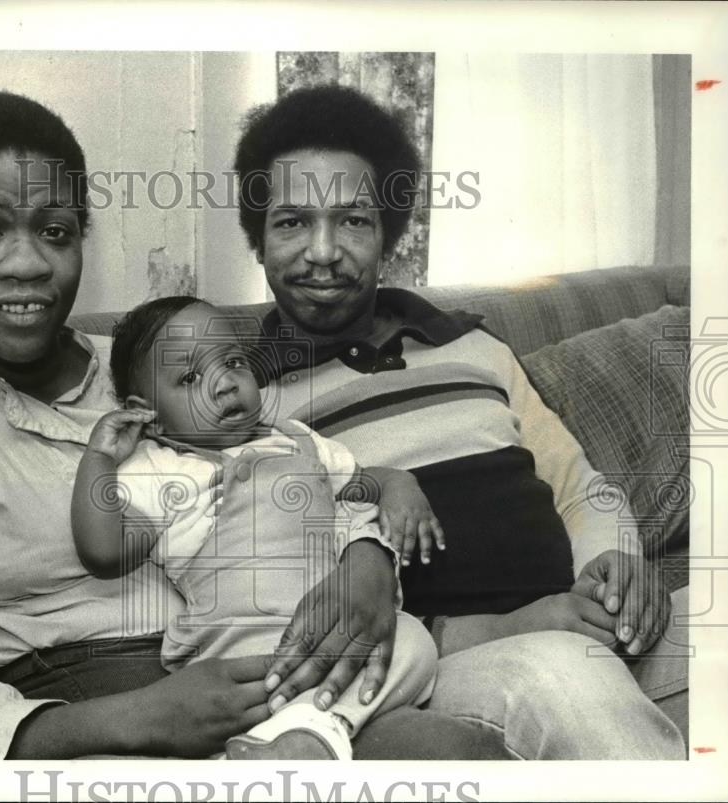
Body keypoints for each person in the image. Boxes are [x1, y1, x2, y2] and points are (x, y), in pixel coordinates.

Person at [0, 89, 503, 760]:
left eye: (55, 231)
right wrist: (136, 718)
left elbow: (290, 471)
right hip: (98, 723)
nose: (27, 262)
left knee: (461, 753)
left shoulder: (165, 362)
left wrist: (367, 561)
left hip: (273, 669)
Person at [232, 83, 689, 759]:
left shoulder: (473, 347)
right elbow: (291, 604)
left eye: (353, 220)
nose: (323, 251)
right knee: (569, 678)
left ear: (387, 233)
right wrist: (526, 623)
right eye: (293, 222)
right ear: (258, 240)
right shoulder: (247, 400)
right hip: (441, 661)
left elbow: (577, 484)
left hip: (582, 617)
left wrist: (616, 564)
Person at [73, 295, 444, 759]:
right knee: (395, 662)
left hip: (333, 627)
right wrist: (99, 458)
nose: (225, 384)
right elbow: (103, 552)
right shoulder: (163, 469)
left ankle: (297, 737)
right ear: (147, 413)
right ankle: (312, 729)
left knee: (413, 643)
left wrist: (400, 486)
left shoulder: (295, 437)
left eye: (232, 361)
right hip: (241, 654)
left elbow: (362, 482)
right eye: (190, 378)